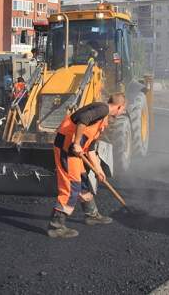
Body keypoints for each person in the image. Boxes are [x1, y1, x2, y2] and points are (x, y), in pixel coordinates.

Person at [47, 93, 127, 238]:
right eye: (123, 110)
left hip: (75, 152)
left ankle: (91, 215)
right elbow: (82, 120)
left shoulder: (101, 120)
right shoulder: (103, 109)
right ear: (119, 107)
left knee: (83, 181)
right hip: (66, 148)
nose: (122, 113)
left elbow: (90, 148)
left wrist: (99, 170)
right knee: (72, 186)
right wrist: (77, 143)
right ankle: (56, 225)